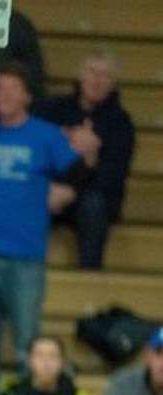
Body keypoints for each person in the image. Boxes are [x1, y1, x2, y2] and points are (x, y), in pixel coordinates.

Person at [0, 63, 84, 395]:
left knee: (30, 343)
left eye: (12, 88)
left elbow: (82, 175)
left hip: (27, 258)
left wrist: (64, 191)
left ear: (27, 95)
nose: (5, 95)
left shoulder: (46, 136)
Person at [41, 51, 135, 270]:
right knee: (31, 195)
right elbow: (39, 156)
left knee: (93, 205)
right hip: (53, 190)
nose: (97, 80)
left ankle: (89, 276)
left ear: (113, 83)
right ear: (80, 76)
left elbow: (113, 178)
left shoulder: (121, 123)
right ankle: (24, 268)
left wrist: (90, 160)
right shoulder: (54, 109)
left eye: (105, 75)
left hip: (94, 198)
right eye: (92, 72)